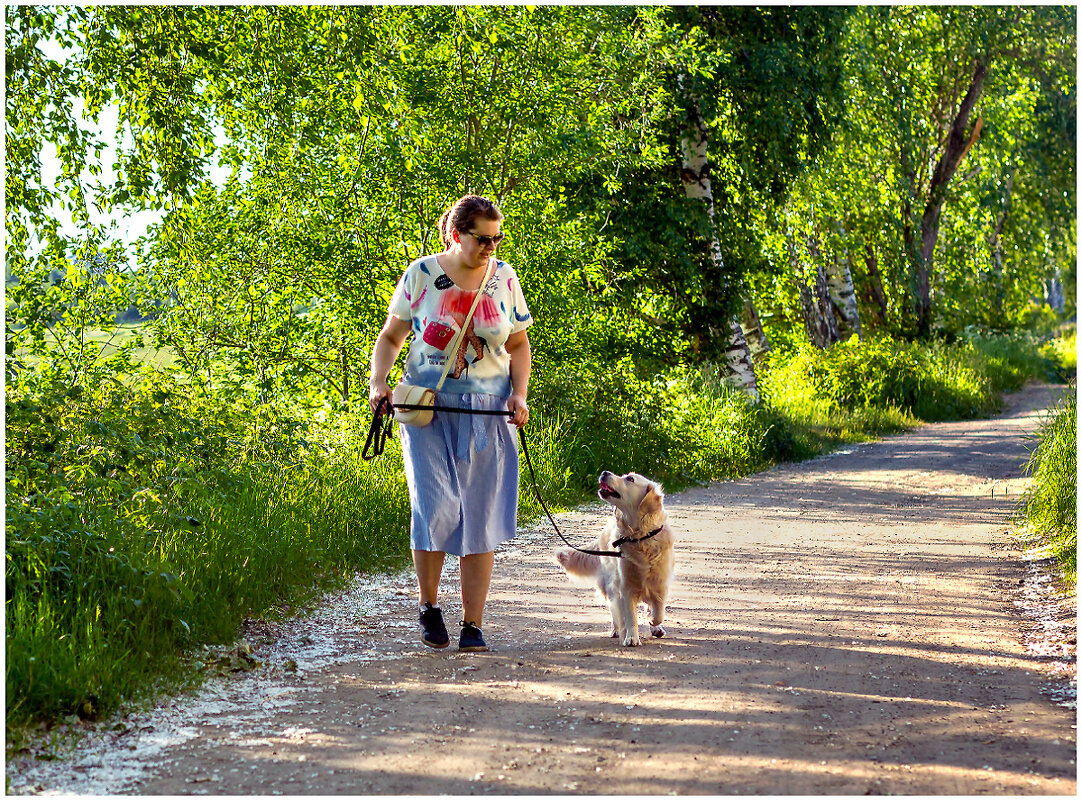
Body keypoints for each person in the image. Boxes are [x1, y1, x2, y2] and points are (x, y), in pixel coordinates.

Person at [368, 194, 532, 652]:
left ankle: (473, 625)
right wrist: (378, 382)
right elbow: (391, 335)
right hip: (426, 409)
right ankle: (429, 606)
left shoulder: (504, 279)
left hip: (487, 412)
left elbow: (518, 345)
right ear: (457, 234)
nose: (491, 247)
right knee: (435, 507)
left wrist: (518, 395)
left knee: (479, 518)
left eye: (497, 238)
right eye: (482, 238)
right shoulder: (422, 274)